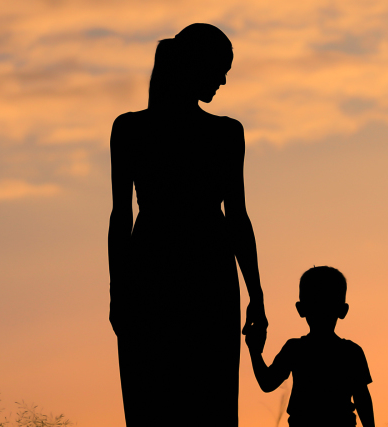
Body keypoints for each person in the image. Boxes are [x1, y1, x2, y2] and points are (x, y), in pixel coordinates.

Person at [107, 23, 266, 426]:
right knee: (163, 401)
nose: (224, 81)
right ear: (197, 66)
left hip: (184, 274)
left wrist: (256, 295)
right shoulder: (135, 129)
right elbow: (120, 217)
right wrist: (119, 292)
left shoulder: (137, 129)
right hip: (175, 274)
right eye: (221, 69)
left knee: (191, 401)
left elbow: (239, 219)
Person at [246, 266, 375, 427]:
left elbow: (267, 383)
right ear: (343, 311)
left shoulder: (295, 349)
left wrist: (254, 351)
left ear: (301, 309)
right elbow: (362, 397)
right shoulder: (351, 352)